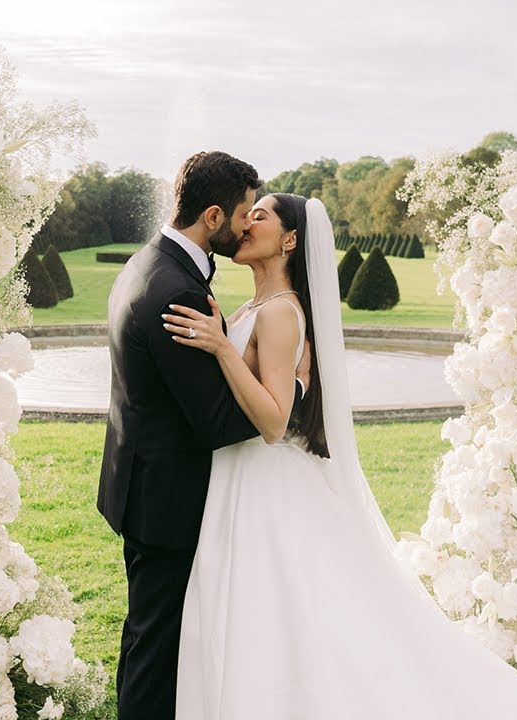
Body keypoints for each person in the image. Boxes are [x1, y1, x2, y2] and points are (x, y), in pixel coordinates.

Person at [164, 193, 517, 718]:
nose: (246, 222)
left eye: (261, 215)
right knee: (267, 618)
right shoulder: (253, 308)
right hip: (241, 479)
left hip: (266, 484)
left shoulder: (280, 315)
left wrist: (222, 348)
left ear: (290, 240)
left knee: (275, 617)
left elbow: (272, 423)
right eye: (248, 214)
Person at [97, 151, 308, 720]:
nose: (248, 226)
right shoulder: (178, 289)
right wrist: (292, 402)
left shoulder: (148, 263)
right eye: (245, 214)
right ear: (214, 216)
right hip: (167, 499)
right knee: (156, 643)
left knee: (152, 634)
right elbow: (217, 421)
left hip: (143, 484)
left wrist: (283, 392)